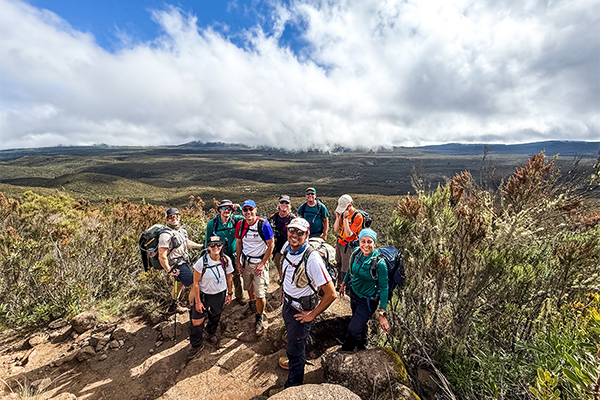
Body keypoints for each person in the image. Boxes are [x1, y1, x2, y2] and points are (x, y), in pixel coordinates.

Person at [279, 218, 337, 387]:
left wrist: (312, 315)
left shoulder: (312, 259)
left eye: (300, 232)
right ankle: (293, 362)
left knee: (296, 349)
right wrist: (284, 290)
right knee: (293, 342)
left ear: (307, 235)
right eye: (292, 230)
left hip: (300, 310)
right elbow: (286, 270)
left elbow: (331, 294)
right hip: (289, 305)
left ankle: (293, 387)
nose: (294, 235)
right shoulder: (286, 248)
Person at [338, 229, 390, 351]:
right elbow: (351, 270)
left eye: (369, 242)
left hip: (368, 300)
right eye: (363, 241)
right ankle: (363, 346)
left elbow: (384, 288)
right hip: (355, 294)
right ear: (359, 242)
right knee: (359, 322)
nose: (366, 245)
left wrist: (382, 313)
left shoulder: (380, 264)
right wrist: (343, 283)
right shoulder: (356, 253)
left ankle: (347, 350)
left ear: (374, 243)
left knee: (353, 329)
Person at [188, 236, 234, 357]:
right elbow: (196, 283)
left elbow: (229, 277)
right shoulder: (201, 263)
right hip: (204, 295)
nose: (215, 248)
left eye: (218, 245)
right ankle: (196, 345)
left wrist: (230, 293)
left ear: (221, 246)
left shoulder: (226, 260)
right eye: (212, 245)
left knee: (215, 315)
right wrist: (197, 301)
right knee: (197, 320)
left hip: (219, 293)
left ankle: (210, 333)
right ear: (208, 247)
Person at [235, 199, 275, 336]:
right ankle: (252, 305)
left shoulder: (263, 225)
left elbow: (271, 245)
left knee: (260, 293)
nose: (248, 212)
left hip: (259, 263)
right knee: (248, 286)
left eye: (250, 209)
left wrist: (263, 263)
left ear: (255, 210)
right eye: (245, 210)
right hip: (246, 262)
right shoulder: (240, 225)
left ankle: (259, 317)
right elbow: (239, 242)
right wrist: (238, 261)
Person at [158, 208, 203, 314]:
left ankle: (173, 306)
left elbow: (186, 242)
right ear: (166, 220)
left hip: (184, 262)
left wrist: (201, 246)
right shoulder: (165, 235)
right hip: (177, 265)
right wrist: (169, 270)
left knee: (179, 285)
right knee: (194, 283)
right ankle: (193, 307)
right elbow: (162, 255)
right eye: (171, 217)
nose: (174, 219)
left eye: (176, 216)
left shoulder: (181, 231)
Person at [204, 199, 246, 305]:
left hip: (233, 254)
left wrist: (240, 209)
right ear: (219, 210)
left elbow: (249, 218)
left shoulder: (236, 220)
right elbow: (207, 242)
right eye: (224, 208)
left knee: (236, 275)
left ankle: (239, 296)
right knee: (220, 276)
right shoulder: (213, 224)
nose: (226, 211)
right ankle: (221, 298)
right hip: (219, 255)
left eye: (229, 208)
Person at [333, 194, 363, 287]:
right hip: (340, 242)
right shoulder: (342, 214)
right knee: (338, 264)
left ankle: (344, 286)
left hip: (348, 245)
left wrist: (345, 220)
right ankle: (338, 284)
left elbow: (349, 234)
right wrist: (338, 217)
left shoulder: (357, 217)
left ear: (350, 206)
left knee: (345, 268)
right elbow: (336, 229)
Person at [269, 195, 295, 283]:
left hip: (290, 248)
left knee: (290, 267)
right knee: (279, 267)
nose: (284, 204)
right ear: (278, 204)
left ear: (289, 205)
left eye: (286, 203)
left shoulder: (293, 219)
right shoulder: (273, 218)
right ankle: (282, 283)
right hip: (277, 249)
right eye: (282, 202)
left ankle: (288, 284)